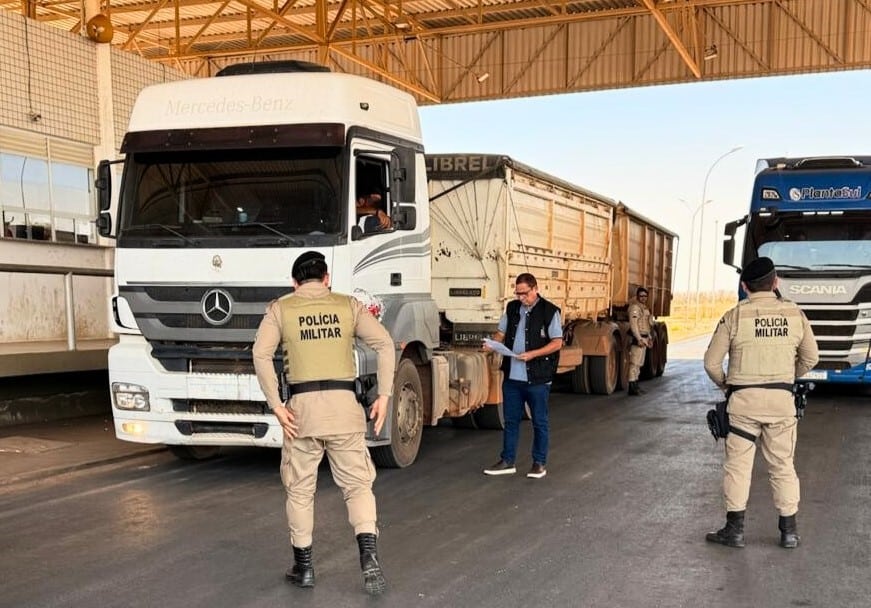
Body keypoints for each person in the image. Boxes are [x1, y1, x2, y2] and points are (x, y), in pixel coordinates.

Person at [252, 250, 396, 595]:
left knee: (301, 491)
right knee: (357, 486)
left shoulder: (281, 309)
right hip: (345, 411)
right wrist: (384, 395)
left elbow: (260, 354)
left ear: (295, 282)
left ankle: (304, 568)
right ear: (326, 278)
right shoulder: (348, 306)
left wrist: (276, 405)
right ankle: (369, 556)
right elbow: (385, 344)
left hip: (301, 415)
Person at [702, 256, 818, 549]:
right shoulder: (794, 314)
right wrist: (786, 378)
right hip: (781, 405)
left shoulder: (734, 316)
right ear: (775, 282)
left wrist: (727, 384)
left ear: (745, 287)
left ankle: (734, 530)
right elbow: (811, 357)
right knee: (782, 466)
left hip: (743, 405)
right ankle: (789, 531)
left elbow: (711, 363)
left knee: (738, 467)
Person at [482, 273, 563, 479]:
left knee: (539, 422)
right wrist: (492, 344)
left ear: (535, 289)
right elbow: (501, 333)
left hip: (538, 378)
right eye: (517, 294)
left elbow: (557, 342)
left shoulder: (550, 311)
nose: (520, 298)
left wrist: (533, 354)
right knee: (511, 421)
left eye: (524, 293)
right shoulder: (511, 308)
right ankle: (507, 461)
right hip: (512, 378)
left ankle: (539, 463)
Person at [627, 286, 652, 396]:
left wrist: (649, 337)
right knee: (634, 363)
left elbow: (646, 325)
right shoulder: (635, 308)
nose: (643, 298)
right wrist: (639, 339)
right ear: (637, 296)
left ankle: (636, 385)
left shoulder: (644, 308)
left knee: (639, 364)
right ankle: (632, 387)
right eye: (641, 296)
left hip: (644, 338)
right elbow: (634, 325)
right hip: (639, 338)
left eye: (645, 296)